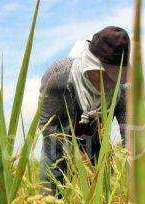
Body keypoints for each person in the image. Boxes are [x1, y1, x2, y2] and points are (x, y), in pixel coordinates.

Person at [38, 26, 131, 195]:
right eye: (102, 73)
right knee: (51, 187)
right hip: (59, 138)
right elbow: (48, 127)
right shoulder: (58, 76)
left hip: (96, 143)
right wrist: (75, 152)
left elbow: (132, 138)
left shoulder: (122, 90)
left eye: (114, 76)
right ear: (88, 64)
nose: (107, 82)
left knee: (101, 193)